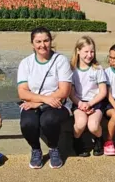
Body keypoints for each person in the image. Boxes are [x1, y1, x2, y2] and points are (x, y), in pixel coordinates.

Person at [17, 27, 73, 169]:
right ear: (32, 44)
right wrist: (43, 99)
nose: (43, 45)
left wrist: (39, 102)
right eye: (38, 41)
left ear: (50, 41)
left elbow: (64, 91)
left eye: (46, 40)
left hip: (57, 103)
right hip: (37, 101)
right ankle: (36, 149)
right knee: (27, 123)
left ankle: (54, 148)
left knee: (48, 120)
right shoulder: (26, 63)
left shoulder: (60, 60)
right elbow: (22, 93)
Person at [69, 36, 108, 157]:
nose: (89, 55)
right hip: (78, 102)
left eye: (92, 52)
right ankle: (77, 141)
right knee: (80, 123)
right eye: (86, 51)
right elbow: (71, 92)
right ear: (78, 51)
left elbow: (103, 92)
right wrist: (80, 104)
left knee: (93, 126)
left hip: (95, 102)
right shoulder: (72, 69)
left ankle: (99, 139)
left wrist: (90, 104)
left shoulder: (98, 69)